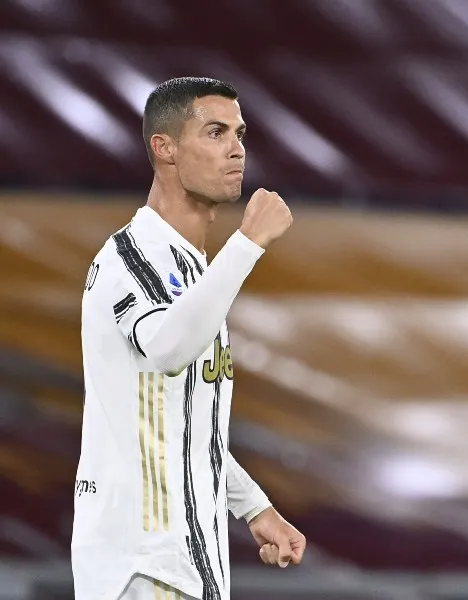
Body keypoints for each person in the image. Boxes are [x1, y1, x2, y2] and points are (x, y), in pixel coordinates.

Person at [73, 76, 305, 600]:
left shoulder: (191, 270)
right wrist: (248, 242)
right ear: (165, 148)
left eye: (240, 134)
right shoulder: (135, 255)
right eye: (216, 132)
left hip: (180, 564)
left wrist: (253, 506)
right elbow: (167, 349)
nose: (236, 149)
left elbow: (182, 425)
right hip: (146, 564)